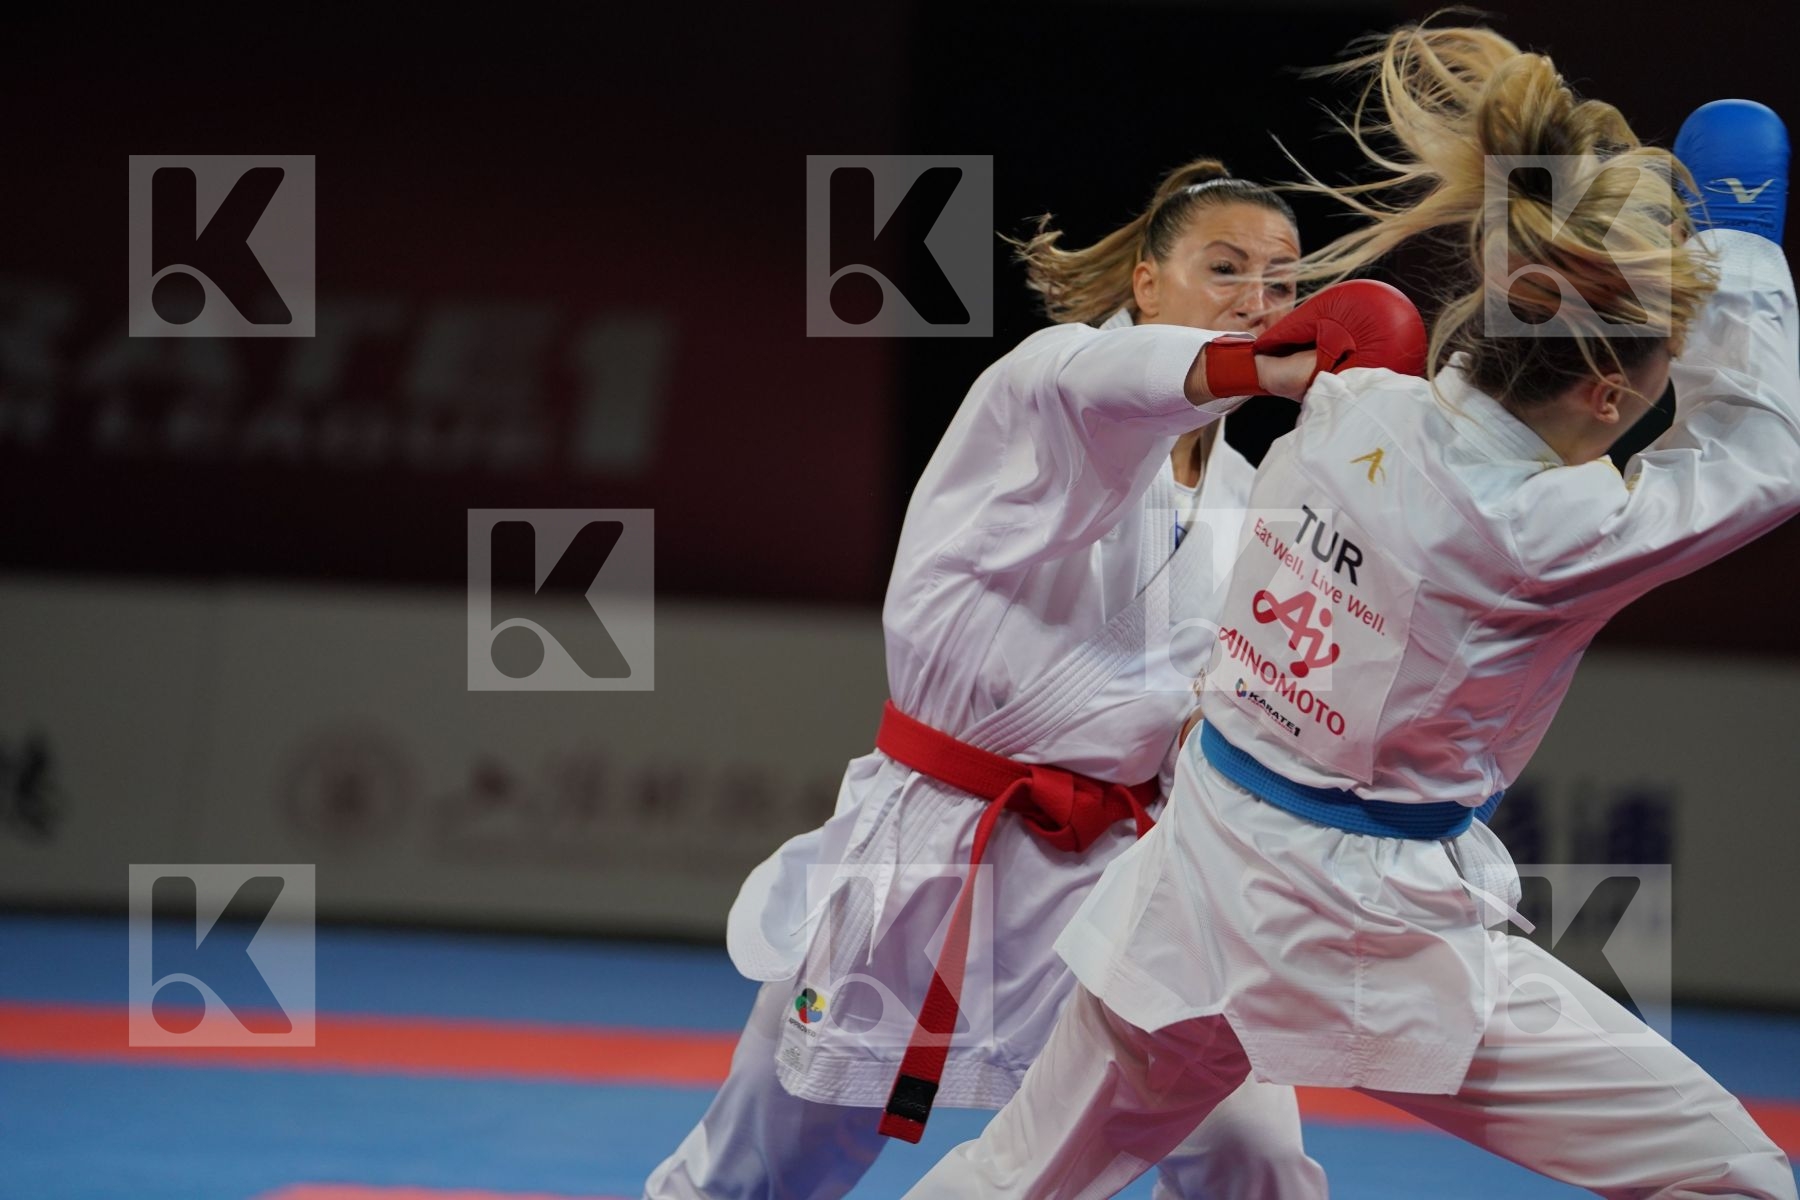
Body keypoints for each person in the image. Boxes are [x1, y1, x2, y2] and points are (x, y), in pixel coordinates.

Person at [901, 24, 1800, 1200]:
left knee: (1015, 1176)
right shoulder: (1550, 536)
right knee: (1733, 1173)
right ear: (1610, 389)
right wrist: (1745, 248)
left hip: (1204, 867)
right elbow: (1763, 459)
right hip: (1367, 926)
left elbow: (1505, 323)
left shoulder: (1353, 404)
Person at [644, 158, 1424, 1199]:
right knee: (767, 1165)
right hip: (934, 849)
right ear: (1147, 284)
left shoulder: (1258, 502)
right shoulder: (1046, 382)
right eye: (1225, 267)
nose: (1257, 300)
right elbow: (1112, 383)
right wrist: (1254, 365)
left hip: (1132, 876)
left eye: (1283, 285)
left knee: (1254, 1153)